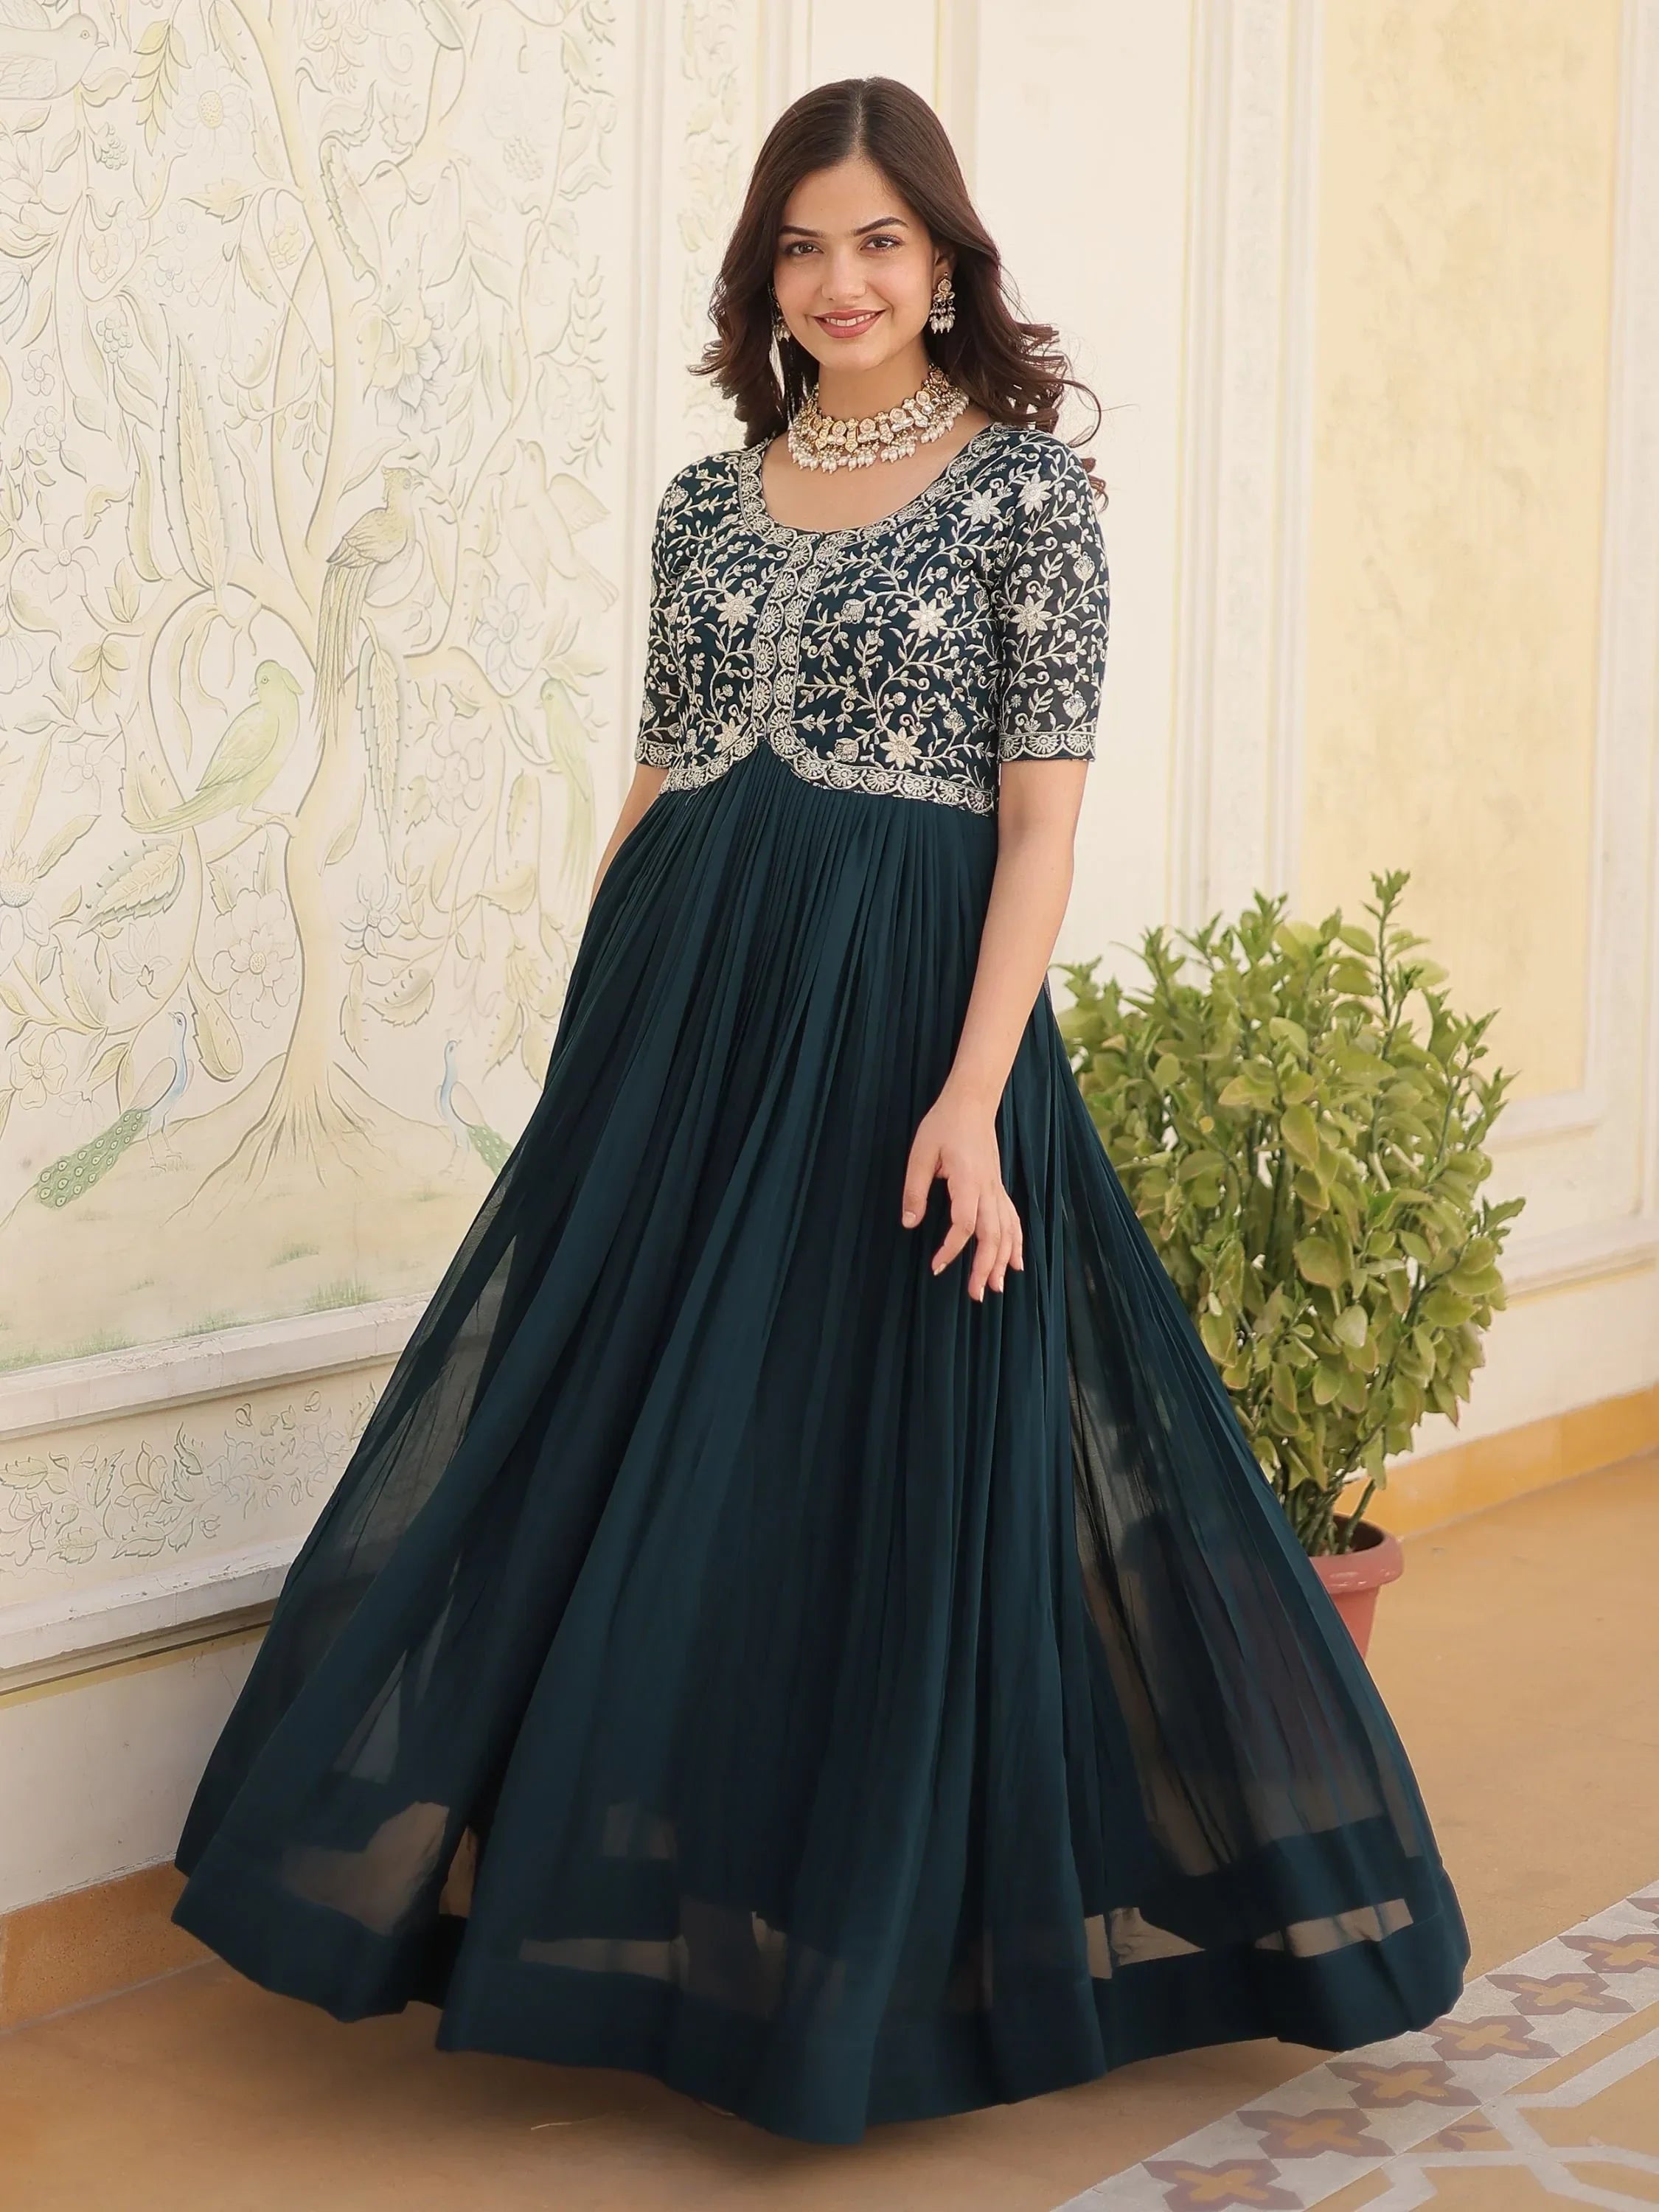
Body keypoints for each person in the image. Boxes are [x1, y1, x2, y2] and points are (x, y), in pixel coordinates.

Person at [170, 75, 1469, 2146]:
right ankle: (646, 1901)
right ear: (761, 271)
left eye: (878, 239)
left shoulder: (1028, 490)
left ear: (944, 255)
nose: (840, 281)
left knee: (881, 1439)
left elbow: (1037, 826)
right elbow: (667, 772)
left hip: (902, 1026)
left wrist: (971, 1099)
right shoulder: (713, 496)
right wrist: (597, 1029)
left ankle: (860, 1966)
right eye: (801, 243)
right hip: (687, 1009)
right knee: (652, 1439)